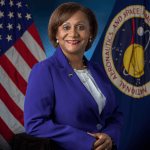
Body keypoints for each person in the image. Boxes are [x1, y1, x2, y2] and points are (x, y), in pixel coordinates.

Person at [24, 2, 123, 150]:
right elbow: (35, 124)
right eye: (66, 27)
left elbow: (115, 113)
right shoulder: (45, 70)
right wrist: (87, 142)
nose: (73, 33)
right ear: (56, 33)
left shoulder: (98, 69)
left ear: (90, 34)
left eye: (81, 27)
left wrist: (110, 137)